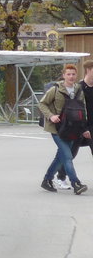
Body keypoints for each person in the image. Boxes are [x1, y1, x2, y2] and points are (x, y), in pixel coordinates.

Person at [40, 63, 90, 194]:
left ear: (76, 75)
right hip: (57, 128)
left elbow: (83, 110)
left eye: (73, 74)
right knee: (67, 156)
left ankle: (47, 180)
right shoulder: (55, 89)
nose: (71, 76)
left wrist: (84, 128)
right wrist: (51, 116)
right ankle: (76, 183)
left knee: (60, 157)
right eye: (68, 74)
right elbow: (42, 104)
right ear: (64, 75)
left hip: (72, 129)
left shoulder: (79, 90)